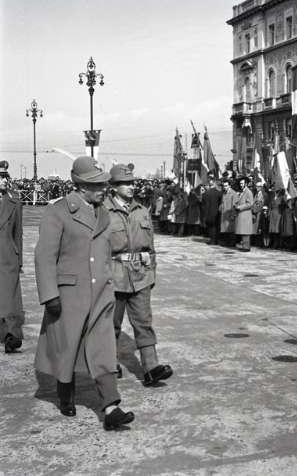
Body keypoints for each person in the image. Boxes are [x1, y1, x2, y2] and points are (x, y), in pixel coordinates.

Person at [34, 156, 134, 430]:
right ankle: (65, 393)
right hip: (69, 295)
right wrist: (50, 294)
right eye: (97, 185)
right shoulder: (58, 212)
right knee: (67, 349)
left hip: (101, 293)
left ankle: (111, 407)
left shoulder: (104, 213)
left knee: (103, 348)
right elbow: (44, 256)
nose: (104, 189)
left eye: (104, 184)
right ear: (80, 186)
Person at [104, 164, 173, 387]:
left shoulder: (142, 211)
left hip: (140, 275)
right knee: (111, 323)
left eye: (132, 183)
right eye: (125, 183)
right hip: (114, 276)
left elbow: (150, 247)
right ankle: (108, 363)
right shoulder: (102, 211)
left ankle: (151, 367)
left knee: (144, 321)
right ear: (113, 187)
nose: (131, 187)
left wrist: (152, 272)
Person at [0, 161, 24, 354]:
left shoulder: (14, 201)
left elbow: (18, 234)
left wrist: (19, 259)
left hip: (7, 256)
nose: (4, 180)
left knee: (10, 298)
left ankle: (11, 335)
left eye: (5, 176)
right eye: (0, 177)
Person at [233, 176, 254, 252]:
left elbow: (250, 203)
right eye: (240, 183)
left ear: (246, 184)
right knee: (243, 231)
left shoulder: (248, 192)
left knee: (246, 231)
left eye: (242, 183)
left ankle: (246, 247)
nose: (241, 185)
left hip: (245, 214)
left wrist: (240, 207)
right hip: (242, 214)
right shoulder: (242, 192)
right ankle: (244, 246)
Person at [202, 173, 222, 245]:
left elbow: (203, 203)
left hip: (209, 212)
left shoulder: (207, 193)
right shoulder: (219, 192)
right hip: (217, 212)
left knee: (211, 227)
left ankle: (212, 240)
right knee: (216, 226)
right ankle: (215, 240)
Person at [219, 179, 237, 246]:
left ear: (229, 186)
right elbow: (222, 202)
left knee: (231, 229)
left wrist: (233, 215)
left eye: (226, 186)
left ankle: (232, 243)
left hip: (230, 214)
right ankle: (227, 242)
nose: (225, 187)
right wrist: (220, 207)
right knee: (225, 229)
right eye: (224, 186)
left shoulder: (233, 193)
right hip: (224, 214)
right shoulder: (224, 193)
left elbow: (234, 205)